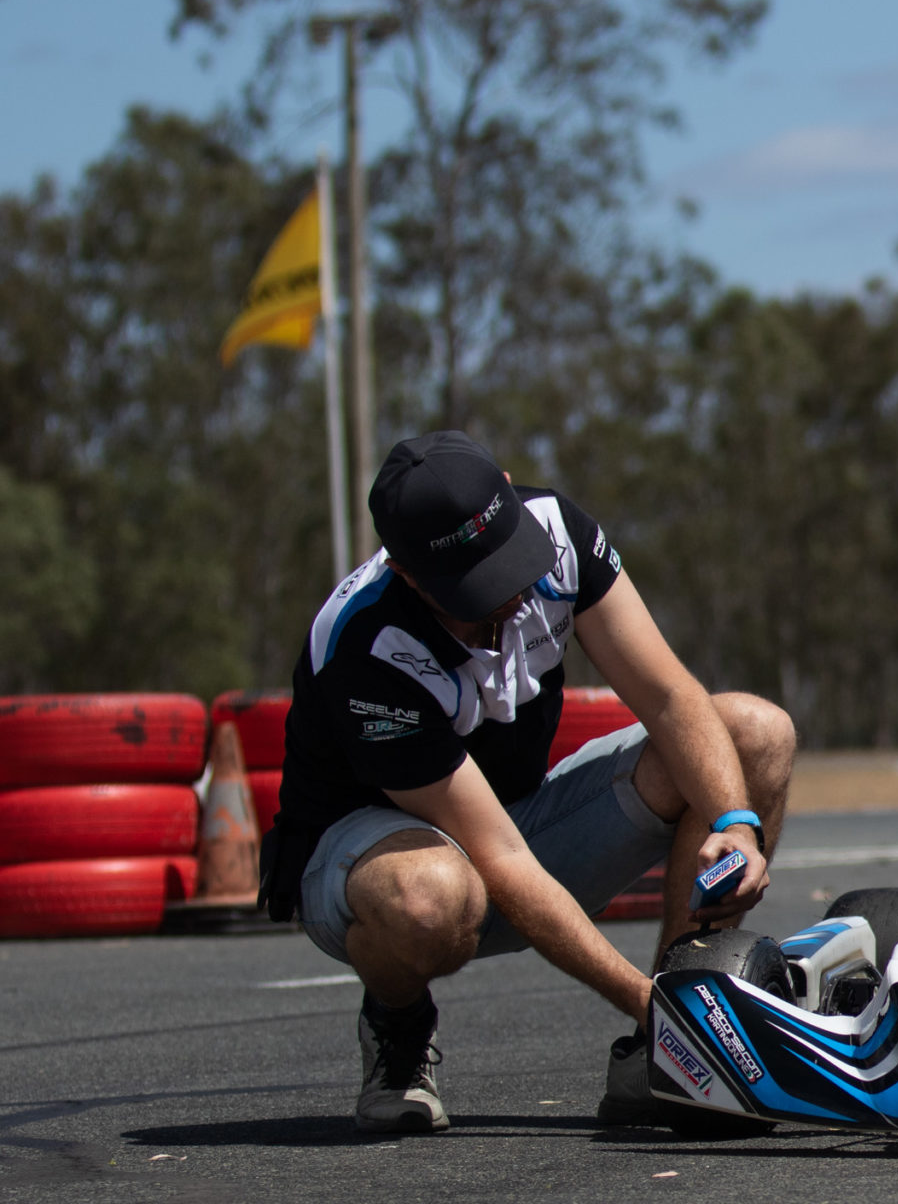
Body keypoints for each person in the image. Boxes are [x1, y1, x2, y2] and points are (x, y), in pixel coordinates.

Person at [264, 431, 796, 1133]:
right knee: (431, 898)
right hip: (374, 861)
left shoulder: (561, 531)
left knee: (755, 735)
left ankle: (665, 1057)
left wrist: (736, 823)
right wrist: (648, 1005)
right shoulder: (366, 646)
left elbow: (670, 698)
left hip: (515, 821)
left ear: (510, 489)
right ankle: (399, 1021)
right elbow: (502, 861)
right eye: (476, 585)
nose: (511, 593)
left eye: (511, 561)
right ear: (408, 574)